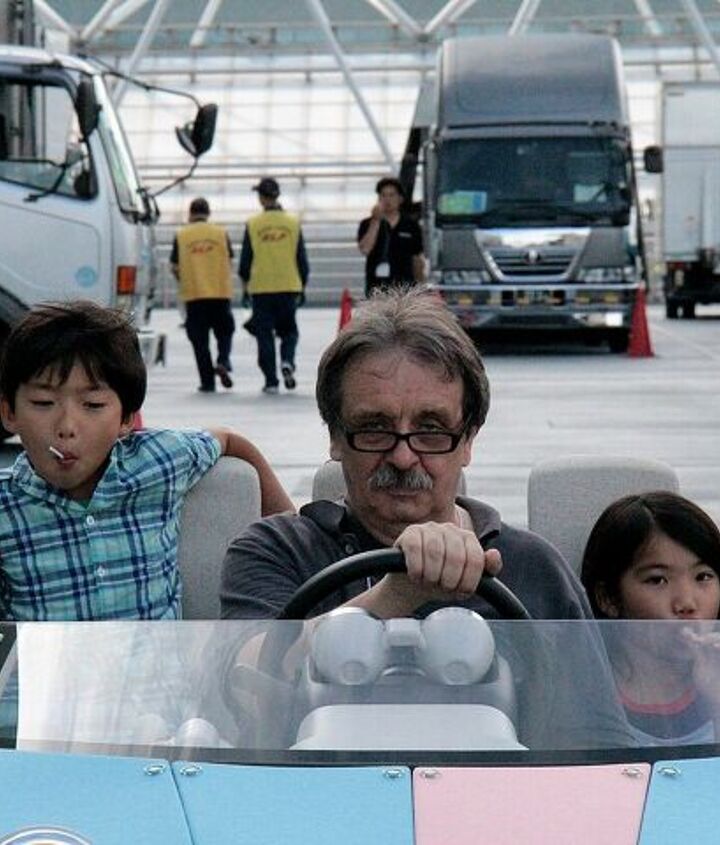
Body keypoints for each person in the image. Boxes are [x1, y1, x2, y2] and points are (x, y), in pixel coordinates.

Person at [221, 288, 631, 750]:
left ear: (468, 440)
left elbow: (601, 748)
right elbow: (246, 681)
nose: (403, 456)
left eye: (431, 430)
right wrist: (398, 593)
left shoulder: (532, 567)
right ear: (335, 436)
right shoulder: (277, 550)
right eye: (374, 428)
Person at [0, 300, 294, 621]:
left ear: (127, 418)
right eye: (43, 402)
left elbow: (229, 440)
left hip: (162, 656)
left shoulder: (159, 460)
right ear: (9, 412)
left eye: (93, 405)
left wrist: (290, 528)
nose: (67, 427)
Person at [581, 491, 720, 746]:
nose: (686, 603)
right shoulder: (582, 691)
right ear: (608, 598)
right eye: (657, 580)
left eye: (703, 577)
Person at [239, 177, 309, 394]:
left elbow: (245, 262)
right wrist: (302, 285)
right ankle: (287, 361)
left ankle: (270, 380)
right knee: (289, 331)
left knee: (264, 334)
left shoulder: (253, 224)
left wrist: (245, 288)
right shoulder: (292, 223)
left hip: (261, 288)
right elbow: (302, 259)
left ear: (261, 198)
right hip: (288, 286)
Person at [170, 197, 236, 393]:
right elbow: (230, 260)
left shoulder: (182, 235)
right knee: (225, 332)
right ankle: (223, 360)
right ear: (208, 213)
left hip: (194, 295)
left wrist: (184, 279)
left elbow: (174, 266)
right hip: (220, 293)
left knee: (199, 341)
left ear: (190, 214)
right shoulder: (221, 233)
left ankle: (207, 382)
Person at [357, 176, 425, 299]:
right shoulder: (367, 224)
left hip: (405, 289)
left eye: (392, 195)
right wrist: (375, 221)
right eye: (383, 195)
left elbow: (417, 258)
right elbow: (365, 249)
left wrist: (421, 287)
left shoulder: (411, 225)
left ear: (400, 199)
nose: (387, 200)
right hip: (377, 289)